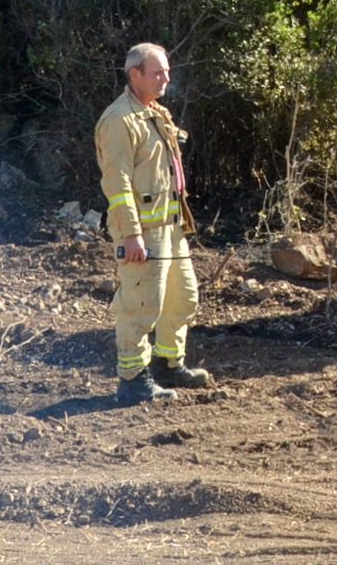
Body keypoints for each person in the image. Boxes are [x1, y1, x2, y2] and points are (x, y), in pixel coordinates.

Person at [95, 42, 213, 404]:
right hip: (143, 233)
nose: (166, 78)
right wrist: (131, 234)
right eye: (157, 72)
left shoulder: (154, 113)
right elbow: (117, 185)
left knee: (183, 298)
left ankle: (168, 364)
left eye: (167, 71)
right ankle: (132, 381)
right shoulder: (119, 120)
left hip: (171, 229)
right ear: (135, 75)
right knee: (141, 304)